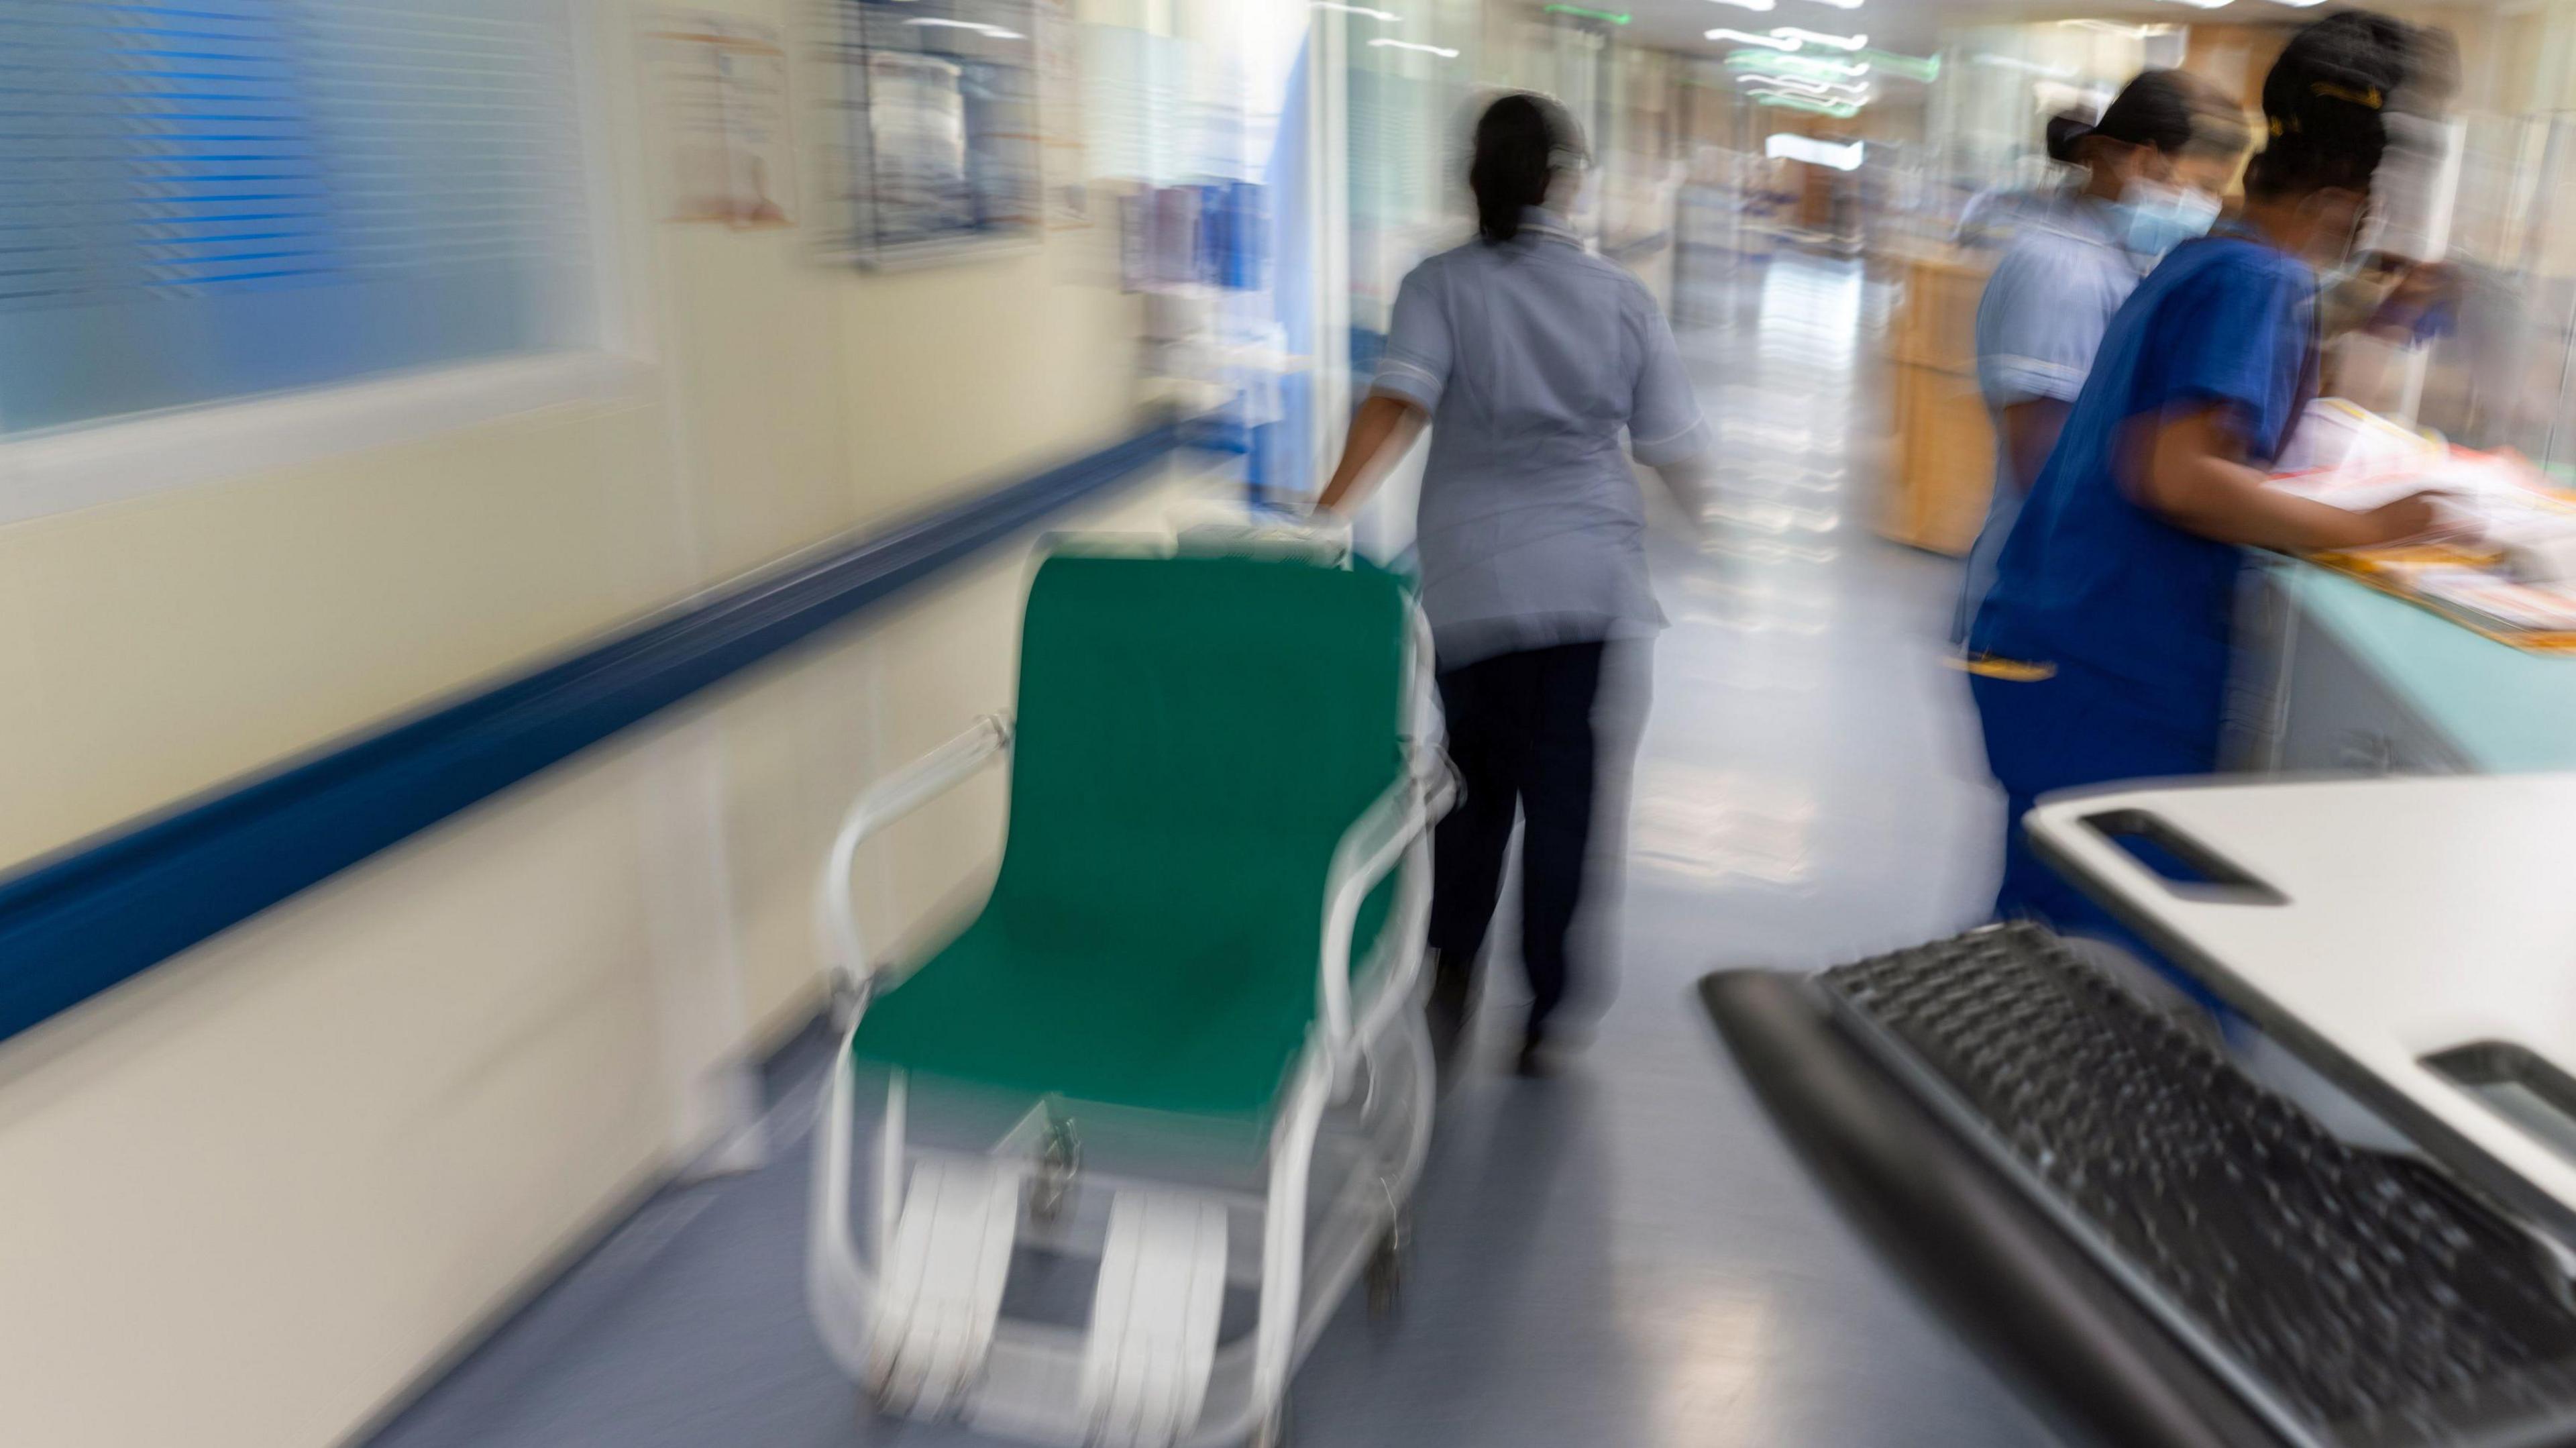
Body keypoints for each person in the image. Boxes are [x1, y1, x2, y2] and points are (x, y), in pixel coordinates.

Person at [1965, 11, 2447, 939]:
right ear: (2350, 208)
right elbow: (2178, 475)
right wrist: (2375, 527)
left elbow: (2219, 417)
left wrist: (2365, 323)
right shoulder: (2256, 281)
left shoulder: (2207, 260)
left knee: (2046, 928)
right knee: (2107, 952)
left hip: (2058, 642)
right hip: (2108, 670)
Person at [1313, 92, 1711, 1076]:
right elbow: (1668, 442)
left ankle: (1454, 963)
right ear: (1562, 181)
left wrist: (1320, 515)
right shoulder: (1619, 296)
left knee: (1473, 790)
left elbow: (1398, 406)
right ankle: (1550, 1007)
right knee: (1568, 794)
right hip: (1590, 585)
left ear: (1476, 179)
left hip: (1473, 585)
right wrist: (1718, 522)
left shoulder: (1437, 286)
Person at [1955, 70, 2251, 641]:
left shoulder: (2112, 256)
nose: (2205, 208)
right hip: (2041, 596)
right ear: (2142, 162)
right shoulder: (2062, 271)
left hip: (2074, 586)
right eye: (2199, 187)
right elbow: (2043, 463)